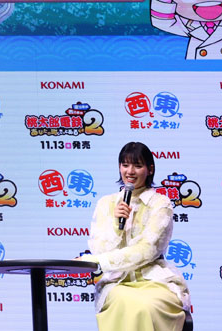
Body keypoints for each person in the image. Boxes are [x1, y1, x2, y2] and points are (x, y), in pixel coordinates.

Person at [80, 142, 190, 331]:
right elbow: (99, 248)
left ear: (150, 169)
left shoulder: (160, 204)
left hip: (155, 280)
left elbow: (146, 250)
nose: (130, 171)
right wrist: (116, 226)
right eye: (125, 165)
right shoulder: (106, 203)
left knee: (145, 306)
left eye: (137, 166)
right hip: (117, 281)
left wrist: (95, 260)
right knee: (124, 301)